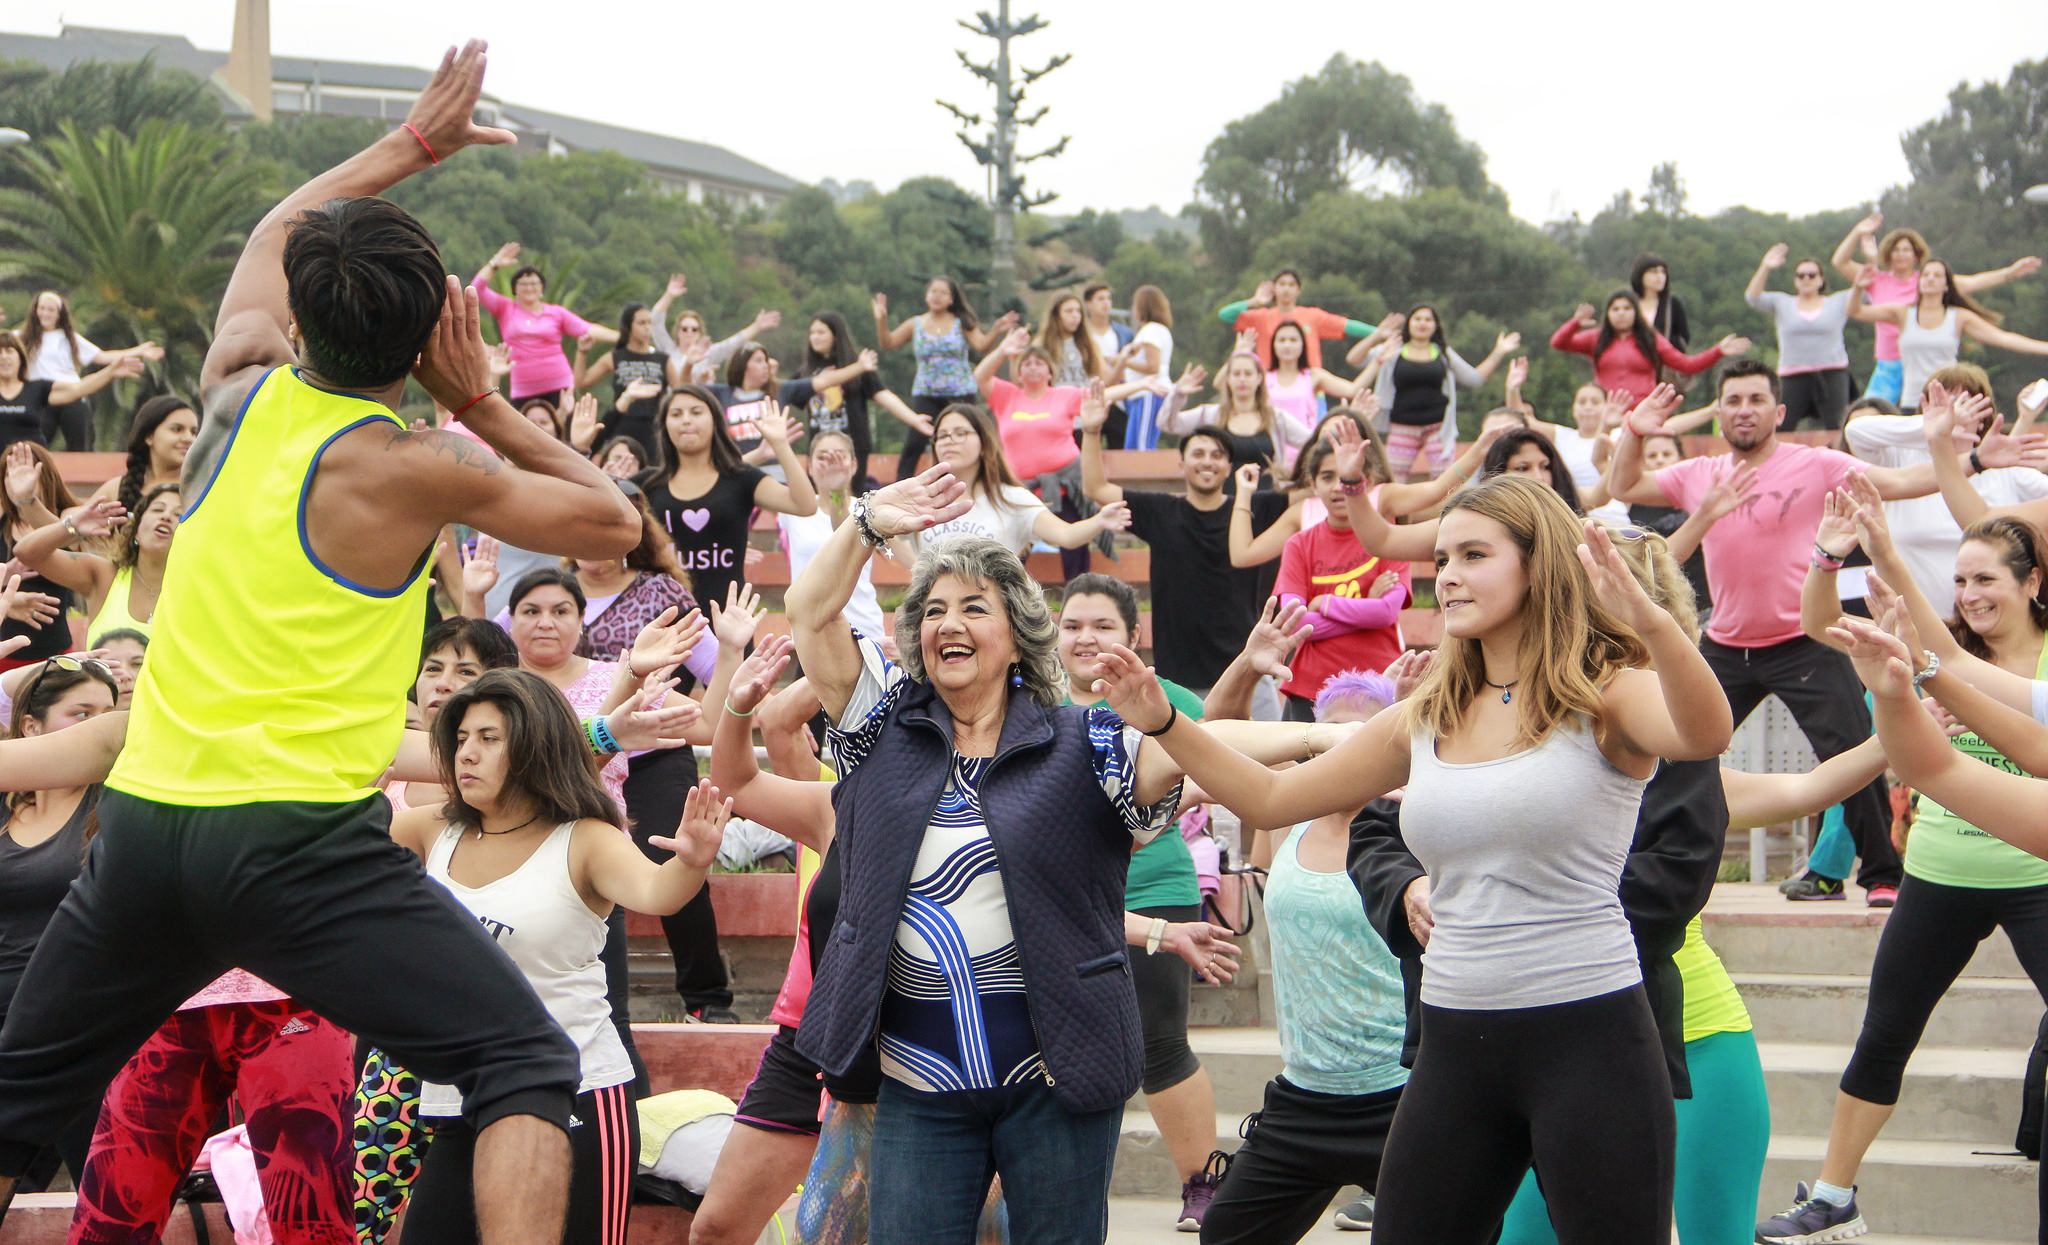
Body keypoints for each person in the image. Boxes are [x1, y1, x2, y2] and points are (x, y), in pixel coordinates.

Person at [0, 43, 645, 1240]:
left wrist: (415, 144)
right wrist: (479, 400)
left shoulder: (234, 386)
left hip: (145, 830)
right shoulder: (418, 463)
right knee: (521, 1065)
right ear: (427, 341)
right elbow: (614, 521)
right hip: (297, 842)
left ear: (297, 315)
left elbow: (273, 227)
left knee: (9, 1108)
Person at [1097, 474, 1734, 1244]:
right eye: (1442, 558)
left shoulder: (1607, 694)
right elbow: (1270, 798)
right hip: (1455, 1041)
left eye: (1474, 554)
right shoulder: (1426, 714)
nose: (1450, 575)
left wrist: (1653, 626)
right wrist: (1164, 721)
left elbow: (1706, 733)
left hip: (1591, 1035)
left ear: (1538, 565)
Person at [783, 457, 1189, 1244]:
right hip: (919, 1078)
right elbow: (807, 612)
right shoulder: (879, 726)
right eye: (934, 610)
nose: (949, 623)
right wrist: (867, 523)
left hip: (1056, 1075)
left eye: (974, 606)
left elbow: (1192, 754)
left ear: (1017, 637)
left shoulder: (1084, 738)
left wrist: (1326, 744)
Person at [1606, 363, 2025, 905]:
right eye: (1734, 400)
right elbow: (1624, 485)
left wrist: (1972, 461)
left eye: (1756, 399)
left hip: (1801, 641)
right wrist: (1635, 432)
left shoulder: (1816, 463)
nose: (1744, 410)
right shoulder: (1700, 472)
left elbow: (1900, 483)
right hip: (1725, 645)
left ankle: (1881, 874)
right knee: (1673, 747)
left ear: (1779, 411)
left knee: (1851, 747)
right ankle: (1642, 863)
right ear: (1720, 412)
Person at [1763, 486, 2048, 1242]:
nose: (1970, 594)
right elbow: (1821, 624)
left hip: (2038, 876)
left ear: (2032, 583)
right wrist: (1833, 554)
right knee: (1885, 1032)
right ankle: (1833, 1197)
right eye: (1959, 580)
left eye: (1986, 578)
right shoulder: (1943, 647)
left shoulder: (1994, 665)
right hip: (1942, 871)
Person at [392, 669, 728, 1245]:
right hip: (460, 1096)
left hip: (579, 1092)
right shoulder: (429, 829)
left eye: (489, 739)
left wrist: (692, 861)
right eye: (462, 738)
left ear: (534, 748)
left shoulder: (585, 838)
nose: (467, 753)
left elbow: (658, 892)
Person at [1201, 670, 1408, 1245]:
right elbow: (1209, 741)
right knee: (1226, 1235)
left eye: (1360, 738)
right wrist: (1247, 666)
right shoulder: (1288, 814)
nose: (1344, 752)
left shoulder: (1413, 827)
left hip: (1402, 1096)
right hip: (1305, 1098)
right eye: (1330, 736)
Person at [0, 656, 117, 1192]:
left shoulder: (115, 803)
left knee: (102, 1185)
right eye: (81, 713)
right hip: (6, 1025)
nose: (98, 729)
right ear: (30, 727)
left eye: (108, 715)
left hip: (75, 1030)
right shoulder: (6, 803)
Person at [1079, 404, 1291, 696]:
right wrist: (1091, 431)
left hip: (1247, 671)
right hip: (1180, 677)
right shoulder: (1160, 510)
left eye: (1217, 455)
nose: (1207, 462)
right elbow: (1095, 488)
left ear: (1229, 467)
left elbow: (1312, 491)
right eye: (1198, 454)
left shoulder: (1255, 507)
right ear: (1181, 464)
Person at [1840, 367, 2048, 613]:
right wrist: (1932, 428)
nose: (1952, 412)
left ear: (1984, 415)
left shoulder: (2007, 473)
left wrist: (2025, 420)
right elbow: (1856, 430)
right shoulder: (1900, 462)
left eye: (1963, 403)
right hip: (1914, 625)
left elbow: (1981, 520)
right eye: (1940, 404)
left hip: (1989, 623)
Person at [974, 331, 1153, 578]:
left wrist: (1142, 384)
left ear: (1050, 372)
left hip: (1066, 486)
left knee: (1075, 549)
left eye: (1039, 363)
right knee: (1010, 555)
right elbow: (980, 377)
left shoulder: (1063, 395)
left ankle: (1078, 595)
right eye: (1027, 363)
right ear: (1018, 372)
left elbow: (1101, 396)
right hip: (1021, 490)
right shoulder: (1007, 396)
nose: (1033, 367)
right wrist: (1003, 350)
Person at [1828, 212, 2039, 404]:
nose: (1901, 255)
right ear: (1888, 255)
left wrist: (2010, 273)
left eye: (1906, 250)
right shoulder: (1878, 281)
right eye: (1896, 250)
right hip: (1891, 361)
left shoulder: (1929, 280)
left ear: (1916, 255)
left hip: (1930, 361)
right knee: (1871, 412)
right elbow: (1840, 263)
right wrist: (1858, 233)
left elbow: (1975, 282)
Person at [645, 385, 817, 612]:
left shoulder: (741, 479)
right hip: (664, 620)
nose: (686, 420)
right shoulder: (648, 485)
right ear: (665, 425)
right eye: (676, 414)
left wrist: (780, 444)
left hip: (729, 620)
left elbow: (804, 505)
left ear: (715, 421)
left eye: (696, 412)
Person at [1271, 437, 1410, 718]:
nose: (1337, 486)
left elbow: (1386, 612)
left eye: (1345, 476)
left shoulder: (1391, 538)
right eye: (1327, 477)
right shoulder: (1299, 545)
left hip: (1379, 686)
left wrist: (1325, 603)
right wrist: (1366, 608)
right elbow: (1295, 622)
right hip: (1310, 688)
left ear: (1367, 481)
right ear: (1313, 485)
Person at [912, 402, 1129, 560]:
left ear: (984, 443)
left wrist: (1099, 520)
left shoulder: (1011, 498)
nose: (949, 441)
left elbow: (1066, 534)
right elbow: (898, 541)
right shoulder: (922, 500)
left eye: (961, 433)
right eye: (942, 435)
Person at [1848, 259, 2048, 411]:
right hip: (1912, 402)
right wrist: (1858, 288)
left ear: (1946, 285)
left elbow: (2003, 338)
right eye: (1926, 275)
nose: (1930, 278)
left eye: (1937, 275)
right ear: (1919, 282)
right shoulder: (1902, 313)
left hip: (1950, 404)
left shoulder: (1958, 317)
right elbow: (1856, 311)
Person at [873, 278, 1016, 481]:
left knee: (964, 436)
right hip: (926, 392)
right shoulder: (916, 323)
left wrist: (996, 329)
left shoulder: (961, 322)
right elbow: (888, 342)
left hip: (960, 392)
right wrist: (881, 320)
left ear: (951, 299)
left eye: (943, 293)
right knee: (915, 441)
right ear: (926, 296)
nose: (937, 297)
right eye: (933, 291)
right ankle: (902, 484)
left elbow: (982, 345)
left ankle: (979, 479)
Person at [1360, 306, 1517, 480]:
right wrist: (1376, 336)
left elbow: (1474, 378)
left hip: (1438, 427)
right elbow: (1355, 359)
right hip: (1402, 426)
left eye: (1428, 320)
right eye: (1417, 319)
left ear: (1435, 326)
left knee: (1446, 478)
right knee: (1392, 477)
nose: (1422, 323)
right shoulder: (1394, 349)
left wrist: (1499, 351)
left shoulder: (1443, 353)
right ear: (1409, 324)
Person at [11, 479, 178, 638]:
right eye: (157, 509)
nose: (166, 516)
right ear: (136, 531)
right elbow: (26, 552)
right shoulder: (104, 575)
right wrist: (72, 527)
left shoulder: (191, 588)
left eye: (179, 514)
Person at [473, 240, 619, 405]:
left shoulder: (556, 313)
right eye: (523, 284)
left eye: (534, 283)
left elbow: (588, 329)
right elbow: (476, 289)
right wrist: (494, 264)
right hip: (523, 389)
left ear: (542, 288)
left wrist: (624, 336)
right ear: (515, 289)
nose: (529, 288)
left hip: (560, 385)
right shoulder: (505, 308)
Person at [16, 290, 163, 451]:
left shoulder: (69, 338)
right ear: (35, 310)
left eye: (51, 310)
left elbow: (102, 356)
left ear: (59, 314)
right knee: (34, 447)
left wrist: (139, 351)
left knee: (79, 447)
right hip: (42, 399)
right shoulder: (21, 337)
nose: (45, 313)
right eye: (42, 308)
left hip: (72, 394)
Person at [1549, 292, 1746, 407]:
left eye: (1627, 308)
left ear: (1636, 312)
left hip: (1643, 411)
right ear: (1607, 314)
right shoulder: (1597, 338)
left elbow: (1687, 365)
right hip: (1606, 412)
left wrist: (1718, 351)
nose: (1621, 313)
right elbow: (1558, 342)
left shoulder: (1650, 339)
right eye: (1615, 309)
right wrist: (1575, 323)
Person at [798, 312, 927, 487]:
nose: (815, 337)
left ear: (835, 335)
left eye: (821, 332)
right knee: (821, 497)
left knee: (852, 497)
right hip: (820, 449)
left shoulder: (859, 367)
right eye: (812, 333)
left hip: (854, 447)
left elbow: (882, 395)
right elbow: (783, 394)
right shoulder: (805, 372)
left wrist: (914, 419)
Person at [780, 431, 886, 642]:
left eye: (839, 455)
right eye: (822, 456)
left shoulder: (868, 508)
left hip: (863, 629)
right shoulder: (793, 510)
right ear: (809, 467)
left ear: (854, 465)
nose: (831, 462)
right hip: (811, 632)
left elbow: (843, 534)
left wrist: (837, 492)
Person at [1746, 244, 1855, 430]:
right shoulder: (1782, 302)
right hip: (1792, 374)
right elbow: (1753, 297)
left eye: (1812, 275)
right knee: (1780, 426)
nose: (1806, 279)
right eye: (1801, 275)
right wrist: (1765, 267)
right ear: (1795, 280)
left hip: (1832, 372)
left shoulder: (1838, 302)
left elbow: (1867, 290)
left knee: (1838, 427)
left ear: (1821, 279)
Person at [1157, 354, 1310, 477]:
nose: (1242, 379)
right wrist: (1177, 395)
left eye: (1248, 373)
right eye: (1236, 374)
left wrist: (1293, 476)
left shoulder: (1276, 418)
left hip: (1268, 499)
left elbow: (1312, 442)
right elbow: (1167, 424)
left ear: (1259, 378)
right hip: (1221, 498)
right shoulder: (1209, 415)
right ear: (1228, 379)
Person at [0, 441, 79, 673]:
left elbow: (73, 540)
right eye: (10, 475)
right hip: (5, 655)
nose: (19, 481)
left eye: (28, 473)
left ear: (46, 477)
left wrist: (27, 501)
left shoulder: (69, 518)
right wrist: (6, 592)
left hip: (55, 656)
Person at [1215, 270, 1386, 370]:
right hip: (1271, 384)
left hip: (1309, 383)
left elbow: (1347, 326)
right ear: (1274, 289)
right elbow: (1225, 315)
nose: (1286, 289)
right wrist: (1254, 301)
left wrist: (1379, 332)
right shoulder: (1260, 317)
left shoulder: (1312, 316)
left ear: (1299, 290)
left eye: (1291, 285)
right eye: (1282, 284)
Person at [0, 331, 143, 447]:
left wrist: (110, 372)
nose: (4, 357)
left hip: (31, 464)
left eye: (9, 351)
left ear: (20, 357)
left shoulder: (37, 389)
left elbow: (78, 389)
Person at [573, 303, 670, 462]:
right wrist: (582, 352)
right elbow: (582, 381)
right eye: (641, 323)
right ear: (628, 326)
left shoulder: (662, 359)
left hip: (654, 425)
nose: (647, 328)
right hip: (623, 423)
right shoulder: (615, 357)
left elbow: (682, 388)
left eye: (649, 322)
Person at [649, 272, 781, 388]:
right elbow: (655, 322)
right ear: (677, 332)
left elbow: (732, 343)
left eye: (694, 329)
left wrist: (756, 326)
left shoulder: (708, 354)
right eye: (684, 329)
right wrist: (669, 295)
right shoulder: (668, 350)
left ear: (700, 333)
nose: (689, 332)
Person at [86, 393, 200, 514]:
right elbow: (79, 517)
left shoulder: (200, 490)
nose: (189, 438)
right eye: (177, 429)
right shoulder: (117, 489)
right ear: (149, 436)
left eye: (193, 432)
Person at [1261, 322, 1366, 446]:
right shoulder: (1262, 378)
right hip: (1272, 448)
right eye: (1282, 340)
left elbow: (1352, 390)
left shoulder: (1313, 376)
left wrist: (1377, 361)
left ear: (1303, 345)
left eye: (1293, 340)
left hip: (1306, 446)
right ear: (1273, 345)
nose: (1287, 345)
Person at [1120, 285, 1176, 451]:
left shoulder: (1151, 330)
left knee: (1142, 446)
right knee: (1133, 446)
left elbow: (1153, 367)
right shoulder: (1152, 331)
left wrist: (1123, 361)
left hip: (1149, 393)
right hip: (1141, 394)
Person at [1629, 253, 1690, 357]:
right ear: (1640, 275)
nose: (1660, 276)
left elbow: (1684, 338)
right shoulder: (1629, 303)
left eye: (1663, 272)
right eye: (1653, 272)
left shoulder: (1672, 304)